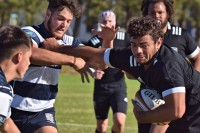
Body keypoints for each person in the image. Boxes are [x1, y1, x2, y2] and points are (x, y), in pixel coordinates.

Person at [51, 16, 200, 133]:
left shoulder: (168, 66)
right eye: (134, 44)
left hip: (194, 114)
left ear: (159, 42)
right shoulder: (130, 56)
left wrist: (142, 116)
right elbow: (96, 54)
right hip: (175, 109)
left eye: (143, 45)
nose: (138, 51)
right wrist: (58, 48)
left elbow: (176, 110)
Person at [10, 0, 92, 133]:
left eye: (68, 21)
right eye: (60, 19)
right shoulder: (29, 32)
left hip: (42, 112)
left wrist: (108, 41)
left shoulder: (67, 41)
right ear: (48, 14)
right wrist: (72, 60)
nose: (64, 25)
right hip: (12, 108)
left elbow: (96, 59)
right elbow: (31, 54)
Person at [137, 0, 200, 132]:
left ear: (168, 14)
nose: (156, 16)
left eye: (160, 12)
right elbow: (131, 69)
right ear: (145, 14)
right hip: (149, 98)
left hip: (173, 98)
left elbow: (198, 56)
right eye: (152, 12)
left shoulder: (181, 35)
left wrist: (194, 81)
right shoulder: (139, 39)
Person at [85, 10, 130, 133]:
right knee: (101, 126)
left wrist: (128, 67)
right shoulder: (94, 41)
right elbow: (85, 61)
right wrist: (94, 71)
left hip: (118, 85)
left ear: (115, 23)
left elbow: (133, 54)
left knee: (120, 122)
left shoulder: (124, 37)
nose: (107, 24)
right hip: (101, 86)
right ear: (100, 23)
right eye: (104, 21)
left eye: (110, 21)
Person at [0, 25, 32, 133]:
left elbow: (6, 124)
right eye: (29, 58)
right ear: (19, 57)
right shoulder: (2, 92)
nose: (29, 63)